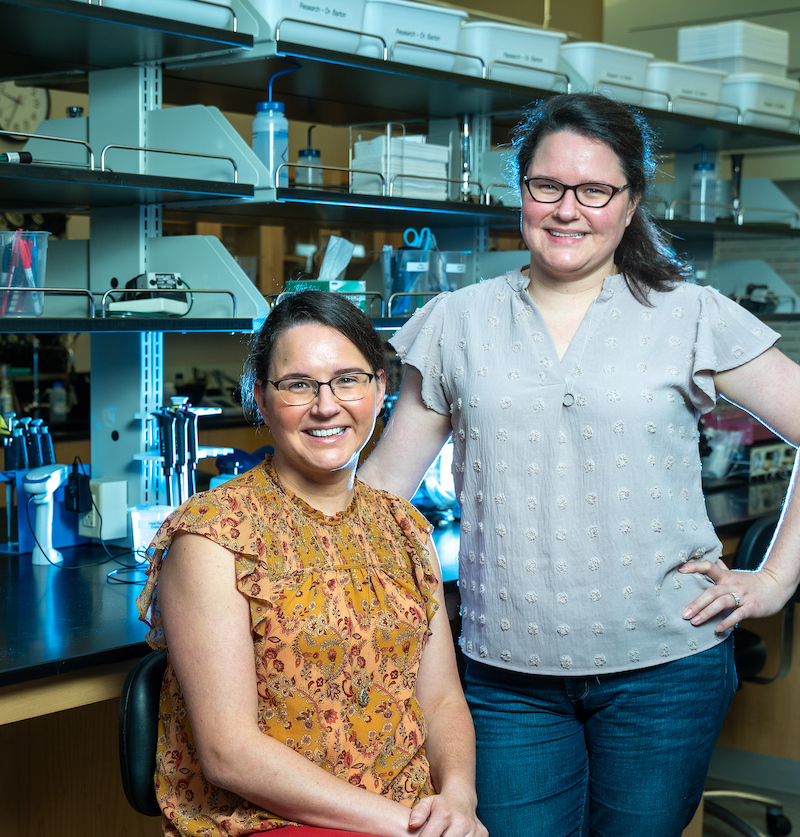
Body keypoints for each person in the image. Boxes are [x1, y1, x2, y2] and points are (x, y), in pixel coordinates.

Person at [358, 92, 800, 837]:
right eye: (547, 187)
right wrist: (230, 555)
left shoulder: (692, 315)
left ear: (629, 205)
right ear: (520, 191)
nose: (568, 210)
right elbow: (378, 496)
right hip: (506, 676)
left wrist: (777, 580)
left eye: (595, 191)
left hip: (666, 668)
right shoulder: (456, 323)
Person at [137, 290, 487, 837]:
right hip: (269, 822)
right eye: (298, 385)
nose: (327, 406)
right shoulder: (213, 536)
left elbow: (441, 698)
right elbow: (229, 753)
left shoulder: (403, 527)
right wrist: (411, 829)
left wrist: (459, 801)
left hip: (409, 816)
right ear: (260, 396)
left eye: (348, 379)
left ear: (379, 388)